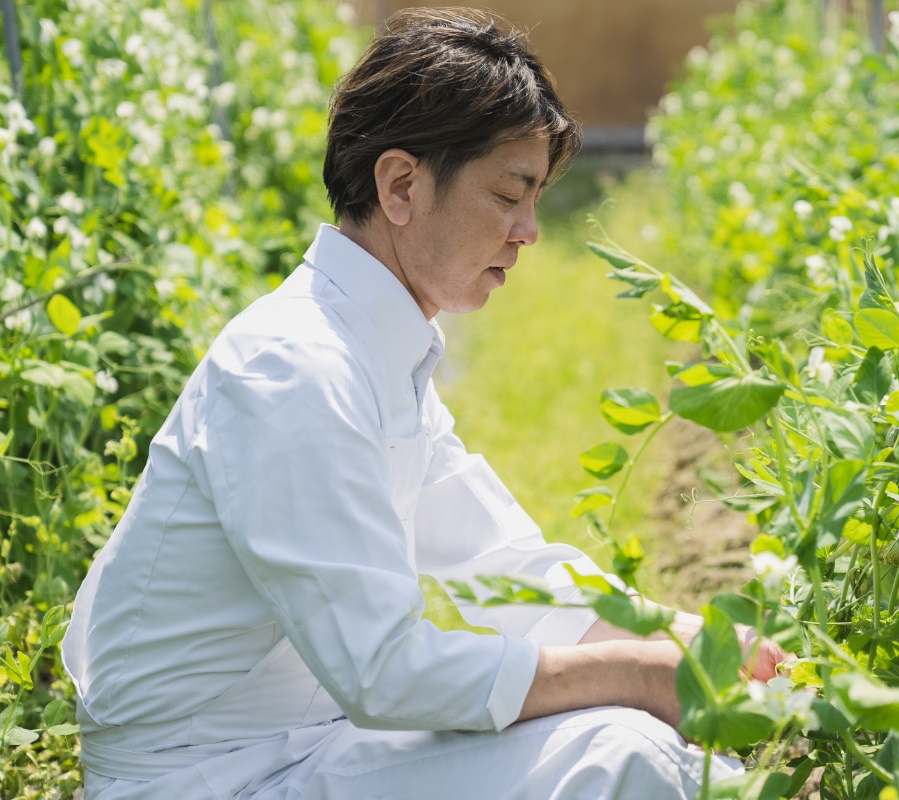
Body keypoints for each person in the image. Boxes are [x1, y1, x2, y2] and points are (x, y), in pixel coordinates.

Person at [63, 9, 786, 799]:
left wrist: (691, 640)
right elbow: (383, 670)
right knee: (621, 753)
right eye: (509, 194)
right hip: (206, 777)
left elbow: (505, 571)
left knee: (629, 732)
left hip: (307, 744)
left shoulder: (376, 351)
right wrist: (632, 671)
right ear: (401, 186)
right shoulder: (293, 369)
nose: (530, 231)